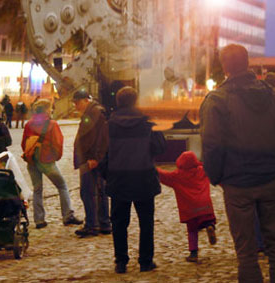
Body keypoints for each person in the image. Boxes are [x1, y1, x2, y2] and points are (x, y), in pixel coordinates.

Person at [200, 44, 275, 283]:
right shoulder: (274, 97)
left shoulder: (217, 100)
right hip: (270, 179)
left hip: (237, 184)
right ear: (248, 63)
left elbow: (212, 145)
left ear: (224, 67)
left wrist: (217, 177)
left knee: (246, 252)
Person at [102, 86, 166, 273]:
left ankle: (121, 261)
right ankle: (146, 261)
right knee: (146, 222)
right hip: (144, 176)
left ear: (118, 103)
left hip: (118, 178)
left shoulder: (109, 124)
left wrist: (107, 173)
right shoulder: (148, 122)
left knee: (119, 222)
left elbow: (102, 152)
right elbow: (160, 146)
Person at [22, 99, 82, 228]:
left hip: (32, 160)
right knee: (62, 186)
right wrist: (55, 157)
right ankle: (67, 216)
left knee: (37, 190)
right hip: (46, 160)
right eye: (50, 108)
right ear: (47, 110)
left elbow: (24, 143)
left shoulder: (29, 124)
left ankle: (39, 220)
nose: (52, 110)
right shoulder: (52, 124)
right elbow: (58, 143)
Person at [157, 151, 216, 264]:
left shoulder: (177, 176)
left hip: (190, 209)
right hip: (205, 205)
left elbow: (163, 176)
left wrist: (152, 168)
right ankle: (210, 226)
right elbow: (213, 169)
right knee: (208, 219)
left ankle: (193, 253)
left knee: (192, 230)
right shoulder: (202, 171)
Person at [72, 89, 111, 238]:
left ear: (85, 100)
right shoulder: (92, 112)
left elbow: (102, 138)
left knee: (88, 192)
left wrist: (95, 157)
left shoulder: (95, 113)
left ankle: (92, 225)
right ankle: (103, 223)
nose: (76, 106)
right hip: (90, 158)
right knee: (99, 190)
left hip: (90, 159)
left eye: (77, 102)